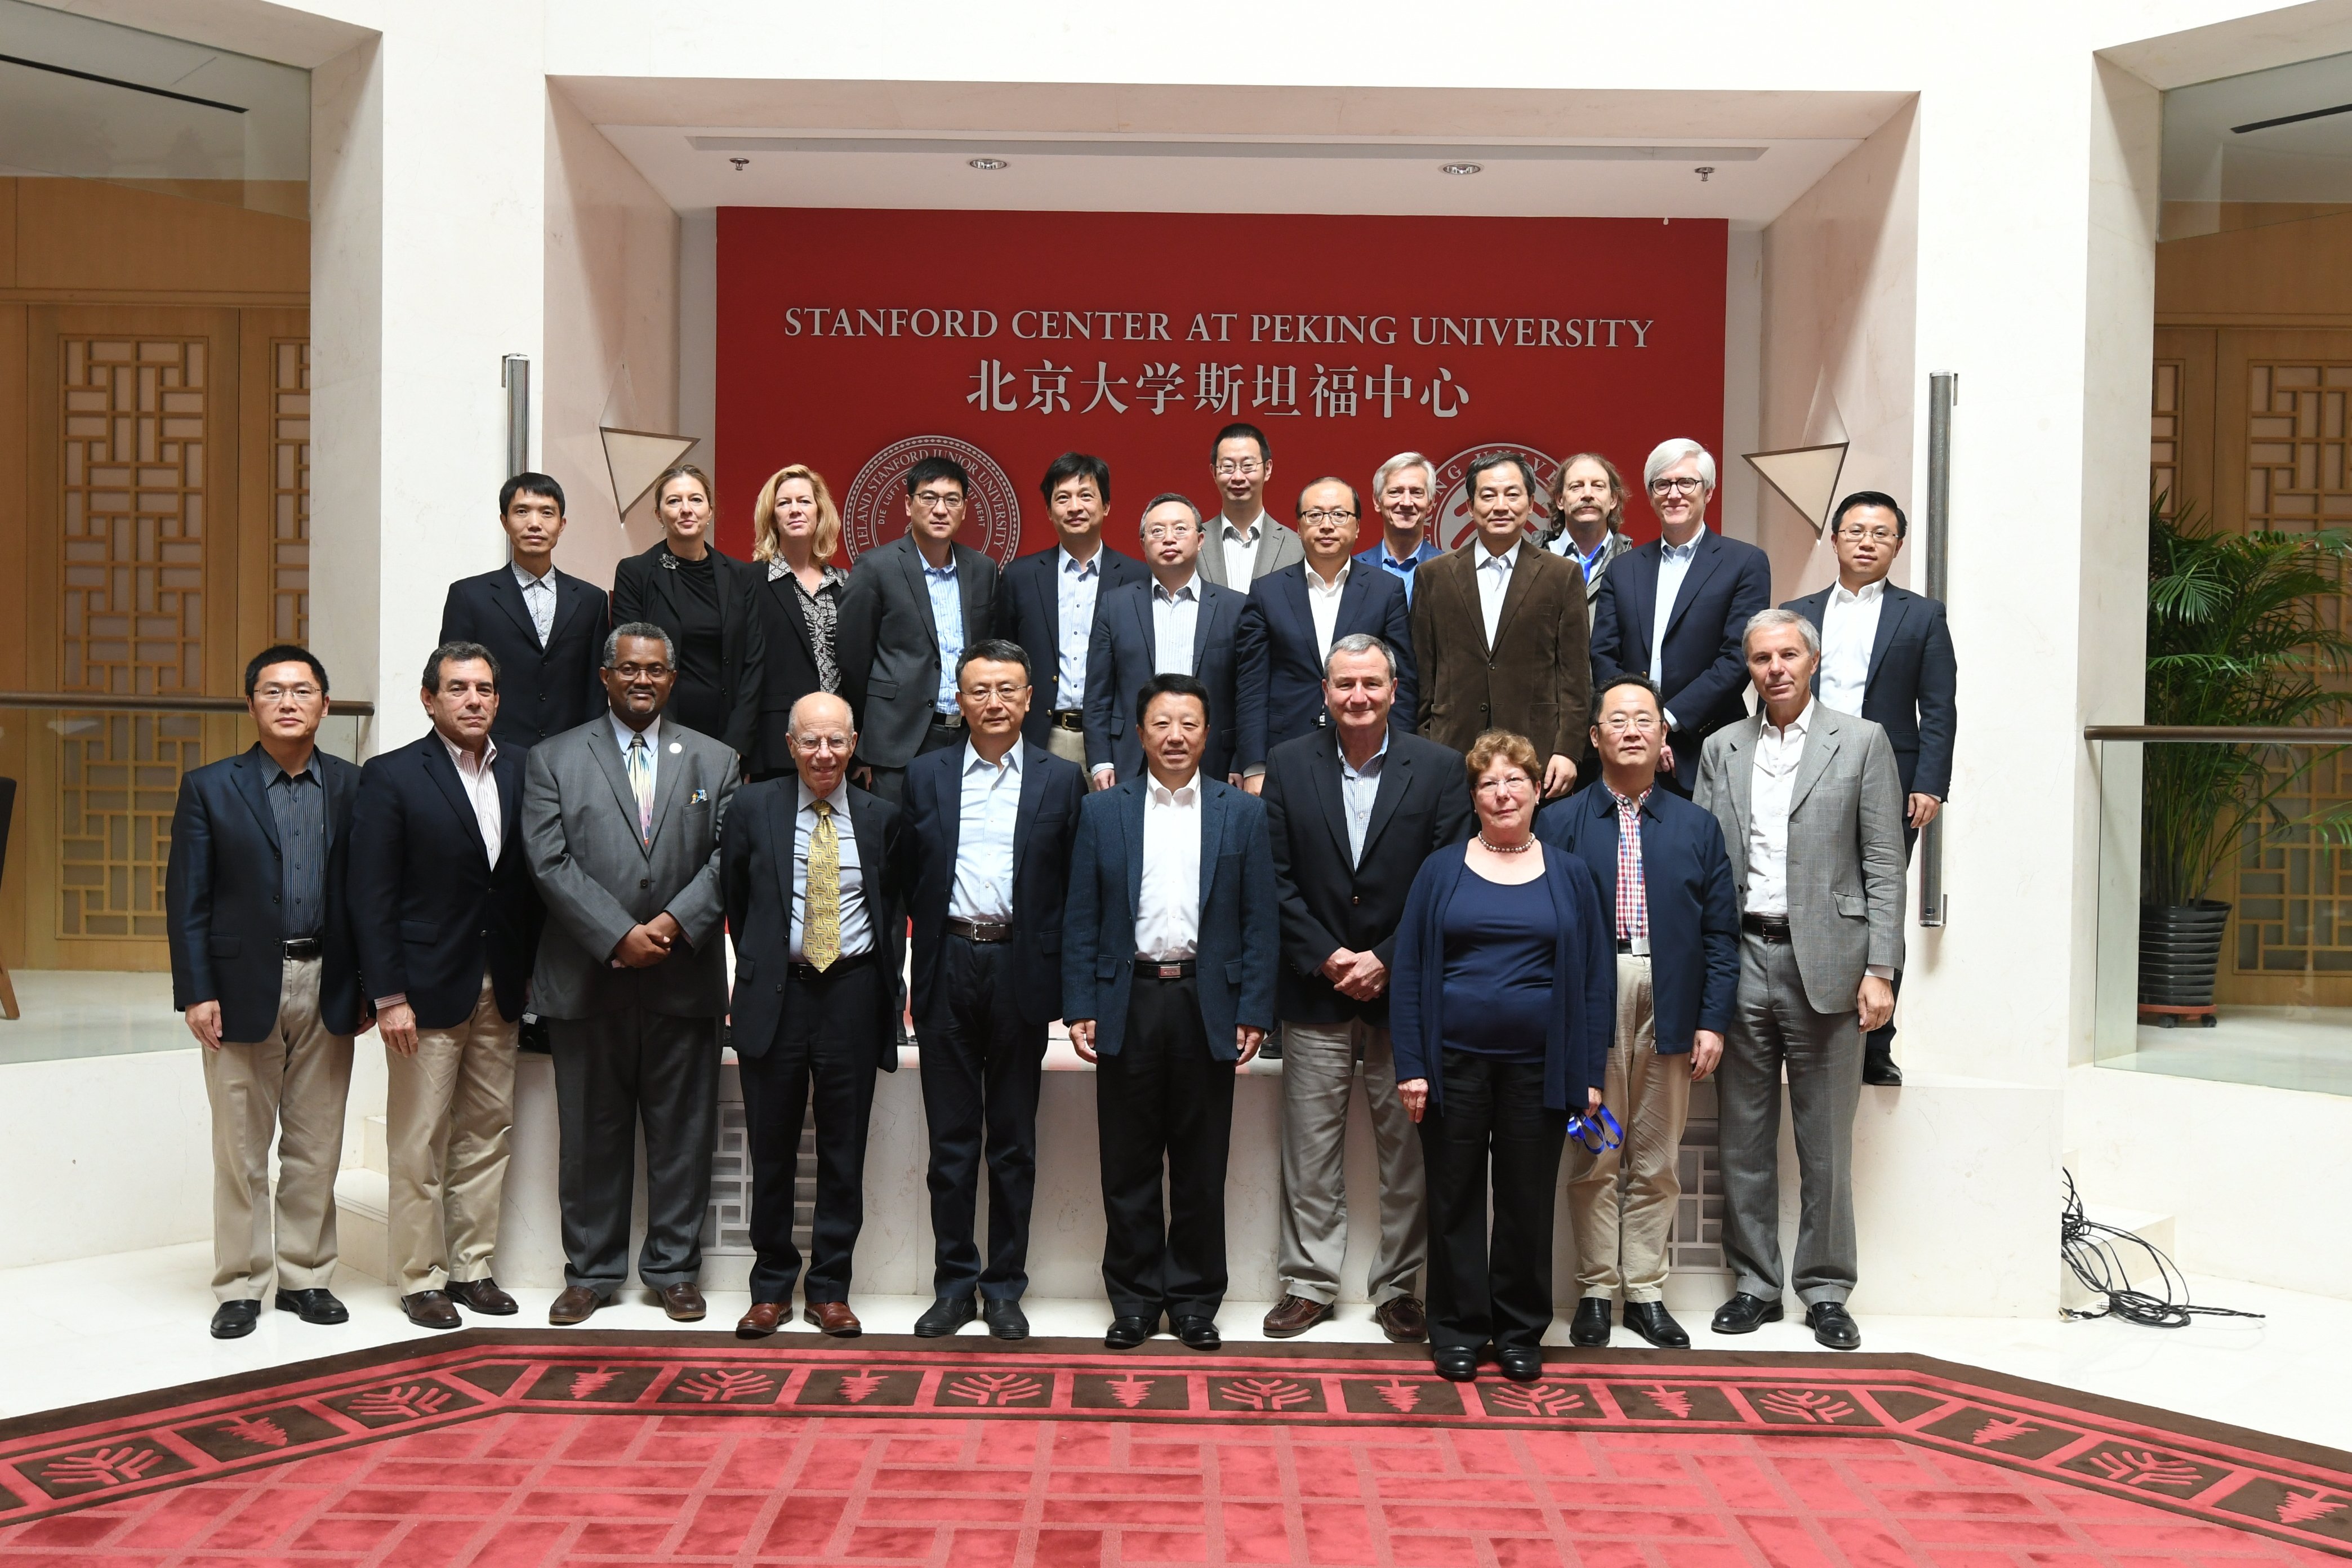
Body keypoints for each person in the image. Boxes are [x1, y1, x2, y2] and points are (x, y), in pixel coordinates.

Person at [1693, 609, 1905, 1351]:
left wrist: (1882, 969)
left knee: (1826, 1144)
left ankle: (1824, 1289)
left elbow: (1884, 862)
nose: (1775, 668)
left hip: (1833, 964)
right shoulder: (1721, 747)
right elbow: (1702, 865)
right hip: (1742, 958)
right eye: (1760, 658)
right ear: (1747, 668)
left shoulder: (1864, 740)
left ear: (1812, 660)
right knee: (1742, 1140)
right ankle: (1755, 1284)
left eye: (1788, 655)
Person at [522, 623, 741, 1326]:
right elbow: (549, 862)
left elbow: (728, 859)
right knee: (591, 1136)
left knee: (683, 1135)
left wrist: (672, 927)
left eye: (655, 670)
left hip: (684, 977)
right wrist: (617, 934)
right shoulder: (553, 759)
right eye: (628, 669)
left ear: (672, 679)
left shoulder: (716, 760)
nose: (642, 680)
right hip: (589, 979)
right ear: (605, 676)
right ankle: (590, 1272)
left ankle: (674, 1270)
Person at [1258, 634, 1473, 1342]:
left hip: (1404, 994)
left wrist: (1385, 956)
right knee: (1309, 1149)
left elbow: (1445, 879)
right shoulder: (1289, 765)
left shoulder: (1440, 769)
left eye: (1372, 684)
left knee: (1406, 1152)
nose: (1358, 696)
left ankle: (1399, 1288)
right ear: (1325, 692)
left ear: (1393, 689)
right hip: (1315, 991)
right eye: (1345, 684)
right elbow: (1274, 877)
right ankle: (1310, 1283)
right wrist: (1326, 956)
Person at [1391, 730, 1612, 1384]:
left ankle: (1519, 1332)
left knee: (1525, 1202)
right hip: (1450, 1064)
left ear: (1536, 789)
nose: (1503, 792)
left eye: (1515, 779)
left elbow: (1595, 980)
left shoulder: (1570, 874)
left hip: (1540, 1072)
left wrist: (1590, 1077)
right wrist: (1412, 1066)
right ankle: (1457, 1328)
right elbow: (1409, 975)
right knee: (1453, 1200)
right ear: (1474, 796)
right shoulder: (1440, 870)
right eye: (1489, 782)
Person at [1063, 674, 1275, 1352]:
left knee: (1199, 1163)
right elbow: (1081, 916)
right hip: (1128, 996)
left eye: (1189, 724)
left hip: (1205, 1002)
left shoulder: (1241, 813)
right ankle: (1132, 1300)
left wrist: (1254, 1011)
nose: (1175, 736)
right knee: (1126, 1163)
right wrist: (1081, 1005)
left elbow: (1259, 922)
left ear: (1208, 735)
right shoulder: (1104, 811)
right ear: (1139, 731)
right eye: (1161, 724)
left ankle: (1191, 1301)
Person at [165, 646, 367, 1340]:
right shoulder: (210, 787)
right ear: (251, 704)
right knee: (242, 1149)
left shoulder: (353, 785)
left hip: (329, 981)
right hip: (238, 985)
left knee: (316, 1144)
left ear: (325, 705)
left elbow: (370, 896)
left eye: (302, 690)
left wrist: (372, 985)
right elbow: (186, 900)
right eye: (273, 690)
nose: (288, 702)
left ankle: (306, 1277)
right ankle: (242, 1284)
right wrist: (196, 990)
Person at [1534, 674, 1738, 1351]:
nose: (1631, 730)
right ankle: (1596, 1288)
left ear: (1663, 736)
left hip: (1671, 996)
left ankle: (1646, 1290)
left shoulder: (1696, 825)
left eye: (1644, 720)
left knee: (1655, 1156)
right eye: (1616, 721)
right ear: (1594, 738)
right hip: (1592, 998)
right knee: (1597, 1148)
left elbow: (1719, 934)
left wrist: (1712, 1020)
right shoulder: (1559, 824)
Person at [346, 642, 536, 1330]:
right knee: (420, 1139)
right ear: (429, 699)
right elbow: (372, 895)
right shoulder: (393, 776)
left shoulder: (521, 768)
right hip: (424, 990)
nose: (474, 700)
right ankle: (419, 1276)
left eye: (485, 688)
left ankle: (472, 1268)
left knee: (487, 1132)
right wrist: (388, 995)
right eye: (457, 689)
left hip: (502, 985)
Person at [901, 642, 1086, 1340]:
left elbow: (1075, 893)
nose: (994, 703)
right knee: (951, 1143)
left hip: (1020, 970)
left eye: (1008, 689)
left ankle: (1005, 1287)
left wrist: (1073, 992)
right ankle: (954, 1286)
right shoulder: (925, 776)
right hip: (947, 961)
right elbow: (903, 882)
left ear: (1031, 697)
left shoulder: (1058, 780)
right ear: (959, 698)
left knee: (1012, 1142)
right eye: (979, 690)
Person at [723, 691, 908, 1340]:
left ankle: (830, 1288)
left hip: (852, 996)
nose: (823, 754)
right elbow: (739, 906)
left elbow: (890, 913)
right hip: (777, 994)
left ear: (853, 743)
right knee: (771, 1150)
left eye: (836, 741)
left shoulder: (884, 818)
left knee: (843, 1149)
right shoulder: (751, 809)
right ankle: (770, 1288)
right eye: (810, 741)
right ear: (790, 746)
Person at [1781, 490, 1958, 1087]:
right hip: (1806, 770)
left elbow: (1938, 708)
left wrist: (1930, 782)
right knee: (1806, 896)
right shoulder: (1797, 611)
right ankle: (1802, 1027)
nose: (1866, 541)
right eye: (1855, 530)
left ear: (1898, 546)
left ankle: (1876, 1045)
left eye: (1881, 534)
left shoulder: (1922, 615)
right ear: (1834, 539)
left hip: (1890, 775)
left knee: (1881, 902)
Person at [1590, 439, 1773, 794]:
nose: (1674, 494)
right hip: (1628, 750)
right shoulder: (1622, 568)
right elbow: (1602, 655)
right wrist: (1639, 726)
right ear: (1651, 494)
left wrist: (1665, 724)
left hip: (1706, 745)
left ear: (1708, 492)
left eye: (1686, 483)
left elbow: (1737, 658)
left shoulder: (1745, 563)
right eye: (1662, 484)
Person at [1409, 452, 1592, 800]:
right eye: (1488, 494)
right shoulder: (1434, 575)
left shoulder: (1562, 575)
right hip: (1451, 749)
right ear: (1471, 504)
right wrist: (1423, 746)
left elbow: (1575, 677)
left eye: (1512, 494)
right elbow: (1422, 673)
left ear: (1531, 502)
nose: (1501, 505)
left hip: (1537, 752)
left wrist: (1568, 750)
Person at [838, 456, 1003, 804]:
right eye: (929, 497)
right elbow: (853, 660)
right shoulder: (876, 566)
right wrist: (864, 742)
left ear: (965, 509)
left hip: (965, 734)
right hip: (897, 739)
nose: (940, 509)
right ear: (908, 505)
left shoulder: (983, 569)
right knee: (896, 848)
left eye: (952, 499)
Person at [1235, 478, 1415, 789]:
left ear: (1357, 526)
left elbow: (1404, 683)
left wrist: (1400, 757)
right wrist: (1254, 765)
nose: (1327, 525)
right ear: (1300, 526)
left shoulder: (1386, 590)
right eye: (1315, 515)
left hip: (1368, 749)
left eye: (1339, 515)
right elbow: (1251, 684)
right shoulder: (1267, 592)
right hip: (1284, 751)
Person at [1082, 494, 1248, 789]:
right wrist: (1101, 761)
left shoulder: (1234, 607)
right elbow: (1098, 694)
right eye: (1157, 531)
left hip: (1214, 758)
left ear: (1200, 540)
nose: (1169, 538)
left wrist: (1241, 760)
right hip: (1130, 758)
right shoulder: (1115, 605)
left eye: (1180, 529)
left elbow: (1246, 695)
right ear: (1143, 543)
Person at [437, 473, 611, 752]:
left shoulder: (592, 600)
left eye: (547, 513)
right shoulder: (470, 596)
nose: (535, 524)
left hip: (571, 750)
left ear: (562, 524)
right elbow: (451, 678)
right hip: (492, 748)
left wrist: (593, 750)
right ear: (505, 522)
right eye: (522, 512)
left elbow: (596, 689)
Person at [996, 452, 1148, 765]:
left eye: (1086, 496)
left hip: (1114, 741)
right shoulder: (1019, 576)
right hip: (1038, 737)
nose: (1075, 507)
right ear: (1049, 511)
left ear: (1105, 506)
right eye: (1062, 498)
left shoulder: (1138, 577)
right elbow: (1003, 658)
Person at [612, 464, 765, 758]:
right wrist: (660, 733)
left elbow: (754, 661)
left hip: (728, 735)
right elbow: (628, 659)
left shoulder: (741, 575)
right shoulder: (637, 572)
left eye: (695, 499)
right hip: (657, 731)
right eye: (673, 501)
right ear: (659, 514)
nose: (686, 509)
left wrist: (737, 744)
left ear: (710, 510)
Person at [747, 463, 852, 782]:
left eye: (804, 501)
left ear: (820, 512)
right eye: (784, 503)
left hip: (837, 744)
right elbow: (743, 669)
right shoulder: (749, 581)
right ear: (772, 517)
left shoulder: (845, 583)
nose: (795, 510)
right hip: (776, 743)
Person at [1193, 422, 1303, 589]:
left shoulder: (1298, 547)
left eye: (1248, 466)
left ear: (1267, 469)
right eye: (1228, 466)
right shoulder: (1191, 543)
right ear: (1214, 472)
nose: (1238, 477)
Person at [1542, 452, 1637, 624]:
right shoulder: (1533, 562)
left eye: (1598, 486)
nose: (1587, 494)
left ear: (1613, 499)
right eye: (1576, 486)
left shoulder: (1635, 566)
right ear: (1560, 500)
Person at [1355, 452, 1442, 606]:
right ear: (1377, 502)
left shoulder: (1450, 572)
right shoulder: (1351, 571)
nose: (1407, 502)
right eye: (1395, 492)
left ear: (1430, 504)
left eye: (1416, 492)